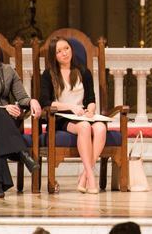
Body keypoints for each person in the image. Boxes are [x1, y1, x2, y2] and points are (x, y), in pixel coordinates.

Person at [39, 37, 108, 194]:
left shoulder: (83, 72)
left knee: (100, 129)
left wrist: (90, 110)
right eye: (59, 51)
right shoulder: (48, 74)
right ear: (53, 56)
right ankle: (91, 178)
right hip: (60, 118)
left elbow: (91, 99)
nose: (64, 53)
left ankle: (84, 176)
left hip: (82, 115)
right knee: (84, 127)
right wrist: (71, 107)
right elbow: (46, 102)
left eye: (67, 48)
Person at [0, 31, 41, 198]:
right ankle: (22, 153)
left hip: (1, 125)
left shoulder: (8, 70)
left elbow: (22, 97)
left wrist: (32, 101)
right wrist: (4, 108)